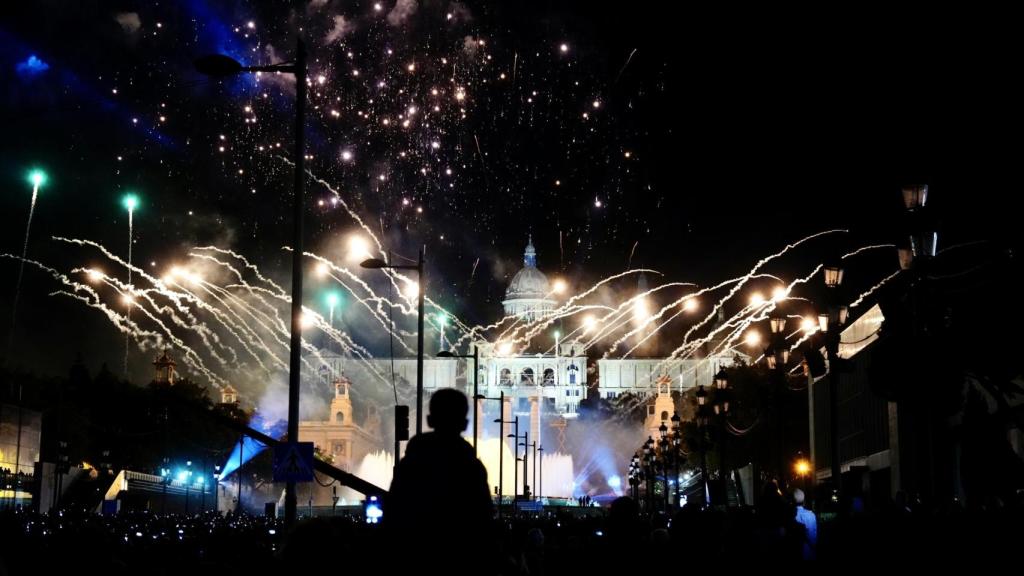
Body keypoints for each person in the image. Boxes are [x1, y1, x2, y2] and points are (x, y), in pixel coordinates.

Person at [387, 389, 495, 574]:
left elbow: (393, 511)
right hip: (460, 561)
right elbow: (483, 520)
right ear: (464, 423)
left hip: (413, 559)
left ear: (430, 420)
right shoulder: (472, 468)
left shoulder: (411, 463)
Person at [792, 488, 818, 560]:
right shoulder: (811, 515)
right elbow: (813, 538)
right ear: (804, 501)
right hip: (809, 553)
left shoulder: (788, 516)